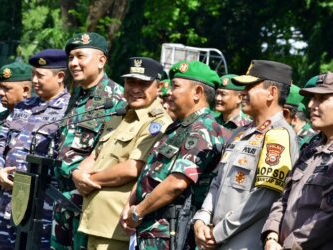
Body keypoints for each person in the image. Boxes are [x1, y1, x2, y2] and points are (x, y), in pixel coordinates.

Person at [121, 60, 230, 249]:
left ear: (197, 93)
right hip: (151, 229)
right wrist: (129, 204)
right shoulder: (178, 127)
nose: (168, 92)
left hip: (170, 234)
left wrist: (138, 211)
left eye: (175, 86)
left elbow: (177, 183)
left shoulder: (203, 129)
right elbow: (150, 170)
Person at [193, 60, 299, 250]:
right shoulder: (239, 133)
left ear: (272, 93)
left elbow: (264, 199)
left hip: (243, 243)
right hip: (214, 239)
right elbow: (217, 181)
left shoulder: (278, 135)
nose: (243, 92)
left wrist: (218, 233)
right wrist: (202, 217)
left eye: (250, 86)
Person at [75, 57, 172, 249]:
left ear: (159, 87)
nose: (135, 89)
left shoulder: (157, 123)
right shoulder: (119, 115)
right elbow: (95, 154)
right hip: (93, 221)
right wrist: (78, 173)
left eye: (143, 83)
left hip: (116, 226)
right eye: (130, 82)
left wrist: (90, 179)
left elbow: (132, 168)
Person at [0, 50, 70, 249]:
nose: (34, 80)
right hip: (9, 202)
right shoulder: (23, 107)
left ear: (60, 77)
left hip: (43, 208)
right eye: (33, 74)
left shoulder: (70, 111)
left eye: (40, 75)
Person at [51, 32, 125, 250]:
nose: (73, 63)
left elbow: (114, 154)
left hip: (88, 205)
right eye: (71, 57)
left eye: (80, 56)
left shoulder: (116, 100)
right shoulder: (78, 96)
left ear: (101, 60)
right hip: (63, 201)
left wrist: (80, 174)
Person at [262, 71, 333, 249]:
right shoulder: (312, 146)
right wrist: (271, 235)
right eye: (312, 99)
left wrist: (288, 246)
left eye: (321, 99)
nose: (311, 105)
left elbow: (327, 218)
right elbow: (284, 196)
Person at [0, 64, 32, 250]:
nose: (1, 93)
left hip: (9, 206)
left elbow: (15, 167)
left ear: (26, 90)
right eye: (0, 87)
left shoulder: (34, 122)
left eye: (7, 88)